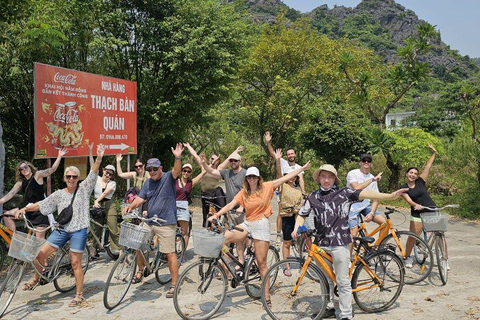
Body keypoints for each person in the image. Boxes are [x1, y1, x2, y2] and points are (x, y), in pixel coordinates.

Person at [291, 164, 408, 320]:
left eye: (330, 177)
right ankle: (329, 306)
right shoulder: (313, 196)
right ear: (319, 178)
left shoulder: (344, 193)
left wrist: (391, 196)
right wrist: (296, 228)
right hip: (321, 244)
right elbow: (302, 214)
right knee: (325, 279)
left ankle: (346, 315)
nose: (327, 180)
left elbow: (367, 193)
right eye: (323, 176)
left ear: (334, 179)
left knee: (343, 281)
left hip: (340, 243)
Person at [16, 144, 105, 306]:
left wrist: (98, 157)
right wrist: (24, 208)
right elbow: (41, 204)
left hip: (78, 231)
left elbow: (93, 173)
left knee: (75, 263)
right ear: (65, 178)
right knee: (39, 255)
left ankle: (79, 295)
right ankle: (37, 278)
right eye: (69, 176)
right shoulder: (58, 194)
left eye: (74, 177)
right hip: (61, 229)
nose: (71, 179)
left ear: (78, 178)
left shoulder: (84, 189)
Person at [208, 161, 310, 300]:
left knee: (262, 263)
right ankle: (235, 266)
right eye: (249, 177)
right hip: (247, 223)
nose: (251, 179)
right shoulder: (244, 192)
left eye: (254, 177)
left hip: (261, 224)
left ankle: (266, 296)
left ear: (258, 178)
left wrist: (302, 169)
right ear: (246, 179)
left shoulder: (267, 187)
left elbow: (284, 178)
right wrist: (217, 214)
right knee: (221, 239)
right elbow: (231, 204)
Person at [122, 143, 184, 298]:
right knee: (137, 241)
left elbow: (177, 170)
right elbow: (140, 199)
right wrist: (130, 206)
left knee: (170, 253)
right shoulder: (148, 182)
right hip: (150, 220)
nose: (152, 172)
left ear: (161, 168)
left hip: (166, 222)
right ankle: (141, 270)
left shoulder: (169, 178)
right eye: (149, 169)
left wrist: (177, 157)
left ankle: (174, 284)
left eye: (155, 169)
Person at [1, 148, 68, 239]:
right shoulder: (20, 183)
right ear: (20, 172)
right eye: (21, 169)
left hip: (40, 210)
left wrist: (59, 156)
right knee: (7, 216)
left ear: (29, 167)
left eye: (26, 167)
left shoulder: (37, 175)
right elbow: (10, 194)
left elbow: (52, 169)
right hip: (28, 209)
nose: (24, 169)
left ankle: (49, 251)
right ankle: (15, 239)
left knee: (39, 241)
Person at [400, 144, 445, 268]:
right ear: (406, 174)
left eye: (415, 173)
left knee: (440, 234)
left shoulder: (420, 181)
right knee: (412, 237)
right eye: (411, 172)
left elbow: (428, 167)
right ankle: (407, 257)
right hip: (417, 213)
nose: (413, 175)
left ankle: (444, 258)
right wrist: (416, 205)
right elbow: (408, 200)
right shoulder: (403, 187)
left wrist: (434, 153)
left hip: (431, 210)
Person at [201, 147, 247, 264]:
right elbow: (212, 172)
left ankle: (246, 257)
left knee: (243, 239)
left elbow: (249, 192)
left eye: (235, 161)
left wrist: (242, 207)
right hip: (230, 210)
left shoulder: (245, 173)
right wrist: (204, 164)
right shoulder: (227, 173)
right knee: (230, 239)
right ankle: (228, 266)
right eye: (231, 161)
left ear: (239, 162)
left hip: (242, 211)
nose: (232, 163)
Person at [264, 131, 305, 248]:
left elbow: (301, 179)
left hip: (294, 191)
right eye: (289, 154)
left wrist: (303, 191)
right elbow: (273, 154)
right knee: (282, 212)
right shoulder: (283, 162)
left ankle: (295, 236)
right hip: (283, 190)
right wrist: (268, 142)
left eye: (292, 154)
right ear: (287, 156)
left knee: (296, 213)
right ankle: (278, 234)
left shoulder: (298, 167)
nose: (290, 155)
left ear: (295, 155)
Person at [346, 153, 386, 254]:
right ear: (360, 163)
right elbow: (357, 187)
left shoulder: (373, 177)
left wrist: (372, 213)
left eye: (368, 161)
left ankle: (377, 249)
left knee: (384, 223)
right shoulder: (353, 173)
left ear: (371, 164)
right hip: (352, 206)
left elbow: (376, 198)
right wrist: (372, 179)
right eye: (364, 161)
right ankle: (348, 260)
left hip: (365, 205)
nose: (366, 163)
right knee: (353, 233)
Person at [183, 143, 229, 227]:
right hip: (205, 193)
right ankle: (206, 228)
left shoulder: (219, 168)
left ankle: (224, 219)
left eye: (215, 159)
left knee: (221, 206)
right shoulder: (204, 166)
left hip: (216, 192)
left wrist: (237, 151)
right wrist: (188, 146)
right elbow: (195, 155)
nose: (212, 160)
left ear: (218, 161)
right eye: (211, 158)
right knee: (205, 214)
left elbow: (228, 160)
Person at [274, 149, 303, 271]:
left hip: (297, 218)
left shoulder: (298, 190)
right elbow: (278, 175)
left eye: (293, 176)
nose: (291, 178)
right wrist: (277, 160)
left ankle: (303, 263)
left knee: (301, 241)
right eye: (288, 176)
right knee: (287, 243)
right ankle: (286, 265)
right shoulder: (283, 186)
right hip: (287, 217)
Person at [90, 164, 119, 260]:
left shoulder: (112, 183)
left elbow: (106, 193)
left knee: (113, 228)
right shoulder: (96, 179)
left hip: (109, 205)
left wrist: (97, 200)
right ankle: (95, 248)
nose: (108, 175)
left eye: (110, 174)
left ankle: (119, 249)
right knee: (97, 228)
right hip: (97, 205)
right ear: (103, 170)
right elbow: (92, 165)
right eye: (107, 172)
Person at [175, 162, 206, 251]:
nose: (186, 173)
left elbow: (203, 173)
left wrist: (204, 163)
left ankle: (182, 253)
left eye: (188, 171)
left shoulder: (190, 183)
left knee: (185, 232)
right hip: (173, 205)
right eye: (184, 171)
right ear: (181, 171)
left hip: (183, 206)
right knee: (171, 231)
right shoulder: (175, 181)